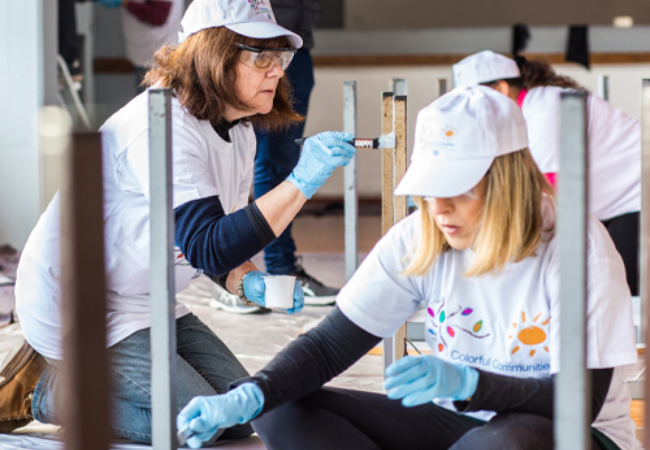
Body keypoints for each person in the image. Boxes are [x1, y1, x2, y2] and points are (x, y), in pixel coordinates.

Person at [176, 86, 639, 450]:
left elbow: (579, 402)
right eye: (430, 191)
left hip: (565, 432)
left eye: (457, 190)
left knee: (508, 441)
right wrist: (253, 394)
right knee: (280, 406)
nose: (440, 209)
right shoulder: (422, 235)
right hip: (458, 422)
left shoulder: (577, 249)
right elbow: (328, 347)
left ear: (507, 181)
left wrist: (470, 383)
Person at [3, 0, 356, 443]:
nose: (278, 72)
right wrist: (301, 182)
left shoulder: (239, 131)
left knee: (244, 412)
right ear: (214, 56)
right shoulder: (164, 126)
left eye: (280, 57)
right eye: (262, 57)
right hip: (80, 304)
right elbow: (210, 244)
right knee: (195, 427)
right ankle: (46, 390)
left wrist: (247, 282)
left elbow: (205, 234)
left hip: (147, 298)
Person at [453, 50, 641, 296]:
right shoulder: (522, 113)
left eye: (473, 99)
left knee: (621, 290)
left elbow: (549, 196)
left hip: (635, 194)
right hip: (610, 200)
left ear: (500, 89)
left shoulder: (543, 112)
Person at [211, 0, 336, 314]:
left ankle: (268, 270)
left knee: (279, 158)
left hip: (297, 41)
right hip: (250, 40)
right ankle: (241, 273)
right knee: (260, 160)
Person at [95, 0, 185, 93]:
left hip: (159, 57)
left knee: (157, 105)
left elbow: (159, 14)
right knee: (148, 102)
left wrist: (125, 3)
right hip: (145, 54)